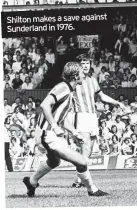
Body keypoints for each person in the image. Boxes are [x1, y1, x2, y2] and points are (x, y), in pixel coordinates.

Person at [23, 62, 108, 197]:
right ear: (75, 75)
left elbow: (61, 117)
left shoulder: (68, 89)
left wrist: (74, 132)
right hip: (49, 135)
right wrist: (55, 127)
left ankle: (32, 182)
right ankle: (92, 190)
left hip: (50, 134)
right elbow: (45, 105)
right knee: (81, 162)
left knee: (54, 162)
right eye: (81, 72)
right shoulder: (63, 88)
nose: (83, 74)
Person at [70, 57, 125, 188]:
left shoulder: (93, 80)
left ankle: (81, 178)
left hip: (93, 117)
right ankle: (79, 180)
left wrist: (117, 102)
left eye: (87, 63)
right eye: (82, 63)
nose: (85, 66)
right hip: (81, 115)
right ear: (78, 66)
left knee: (89, 150)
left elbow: (102, 96)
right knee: (85, 147)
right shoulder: (73, 81)